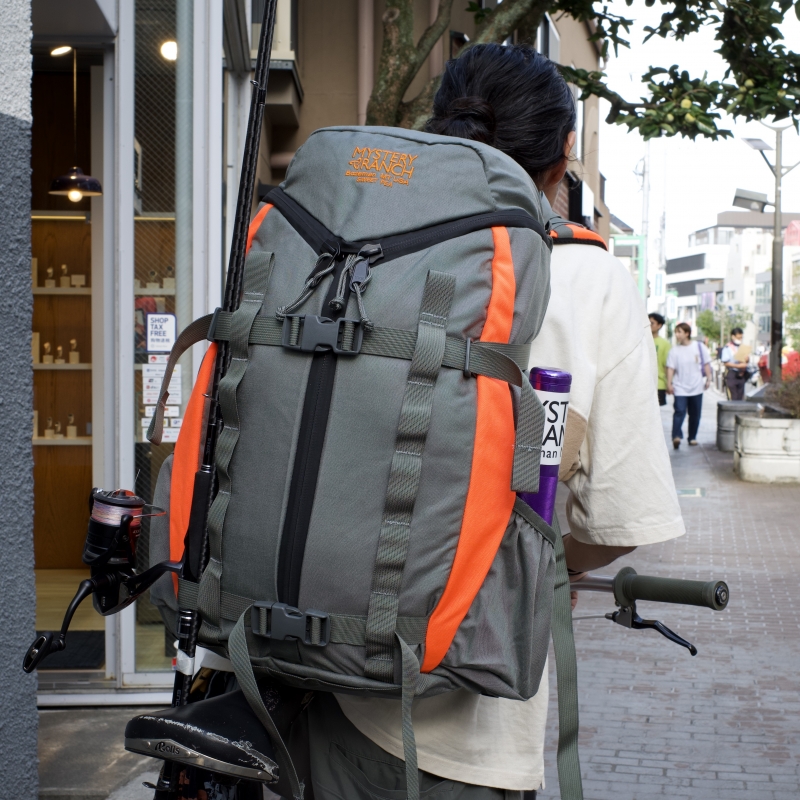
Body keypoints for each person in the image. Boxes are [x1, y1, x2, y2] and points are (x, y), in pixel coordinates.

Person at [316, 43, 685, 799]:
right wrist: (534, 563)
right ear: (565, 154)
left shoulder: (348, 247)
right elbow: (619, 520)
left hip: (286, 670)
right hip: (453, 732)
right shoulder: (587, 276)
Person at [666, 322, 712, 448]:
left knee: (695, 413)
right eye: (676, 332)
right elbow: (670, 368)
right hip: (680, 387)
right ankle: (676, 436)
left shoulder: (699, 347)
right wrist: (669, 383)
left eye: (679, 331)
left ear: (687, 333)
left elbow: (706, 363)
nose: (677, 334)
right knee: (679, 411)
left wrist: (709, 378)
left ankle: (692, 437)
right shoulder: (674, 350)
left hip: (696, 387)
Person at [720, 327, 748, 400]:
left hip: (742, 374)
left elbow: (746, 360)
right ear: (733, 336)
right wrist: (738, 366)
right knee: (733, 396)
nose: (739, 340)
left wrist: (747, 360)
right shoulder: (727, 348)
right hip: (732, 374)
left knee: (740, 396)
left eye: (741, 338)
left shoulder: (743, 347)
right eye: (738, 338)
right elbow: (726, 363)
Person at [649, 312, 671, 406]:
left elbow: (667, 365)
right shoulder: (641, 341)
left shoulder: (665, 344)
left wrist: (669, 383)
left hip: (659, 383)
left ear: (659, 325)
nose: (649, 325)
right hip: (643, 382)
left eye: (652, 323)